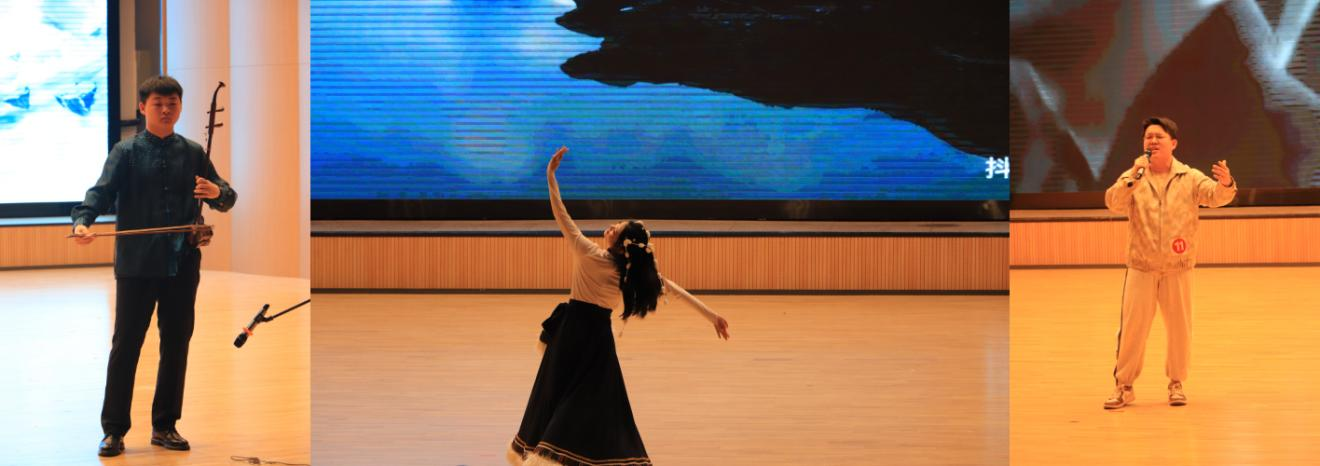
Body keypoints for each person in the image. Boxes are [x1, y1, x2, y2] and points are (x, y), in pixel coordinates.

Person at [507, 146, 730, 466]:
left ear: (621, 244)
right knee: (595, 404)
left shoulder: (588, 253)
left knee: (555, 394)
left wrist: (550, 176)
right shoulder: (630, 276)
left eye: (617, 228)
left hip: (571, 336)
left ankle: (548, 452)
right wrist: (712, 316)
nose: (610, 227)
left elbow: (561, 215)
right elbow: (674, 289)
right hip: (598, 340)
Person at [72, 75, 237, 456]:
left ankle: (165, 426)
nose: (165, 110)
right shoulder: (126, 152)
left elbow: (226, 196)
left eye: (172, 103)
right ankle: (114, 430)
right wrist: (83, 220)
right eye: (158, 104)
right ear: (142, 107)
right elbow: (101, 192)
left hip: (182, 263)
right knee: (126, 345)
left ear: (180, 107)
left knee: (176, 344)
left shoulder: (193, 152)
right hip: (137, 264)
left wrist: (217, 192)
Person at [1102, 117, 1235, 409]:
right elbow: (1113, 202)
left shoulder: (1189, 177)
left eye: (1159, 137)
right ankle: (1124, 386)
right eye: (1148, 137)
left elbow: (1216, 196)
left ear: (1173, 143)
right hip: (1141, 266)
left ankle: (1176, 383)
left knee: (1179, 330)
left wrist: (1226, 183)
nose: (1152, 141)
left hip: (1178, 267)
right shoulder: (1134, 176)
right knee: (1132, 330)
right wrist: (1133, 176)